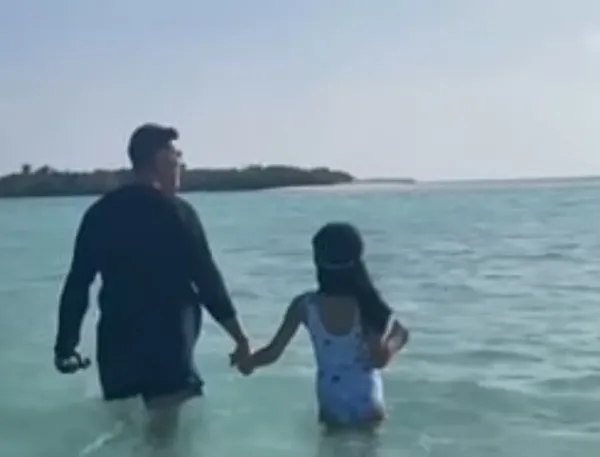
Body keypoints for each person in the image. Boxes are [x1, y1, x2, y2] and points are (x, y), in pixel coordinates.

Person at [53, 123, 251, 448]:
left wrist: (65, 347)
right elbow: (208, 281)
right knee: (166, 444)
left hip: (116, 353)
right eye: (176, 155)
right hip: (167, 351)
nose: (181, 163)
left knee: (125, 440)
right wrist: (240, 339)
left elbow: (78, 283)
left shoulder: (99, 214)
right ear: (159, 160)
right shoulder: (178, 213)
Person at [232, 222, 409, 429]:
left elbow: (273, 352)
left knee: (332, 445)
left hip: (330, 403)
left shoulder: (305, 305)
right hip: (366, 403)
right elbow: (378, 360)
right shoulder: (366, 305)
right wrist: (398, 337)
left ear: (317, 260)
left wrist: (249, 363)